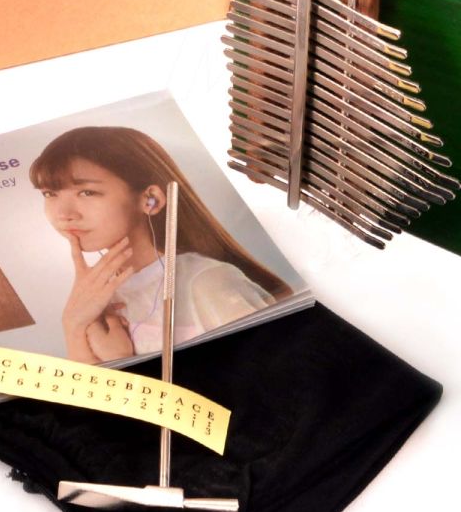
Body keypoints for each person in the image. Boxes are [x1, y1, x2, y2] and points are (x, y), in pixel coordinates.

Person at [29, 125, 289, 362]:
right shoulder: (94, 299)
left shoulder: (206, 281)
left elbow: (269, 377)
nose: (64, 214)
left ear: (150, 199)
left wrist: (125, 362)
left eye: (87, 192)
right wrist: (73, 326)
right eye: (50, 194)